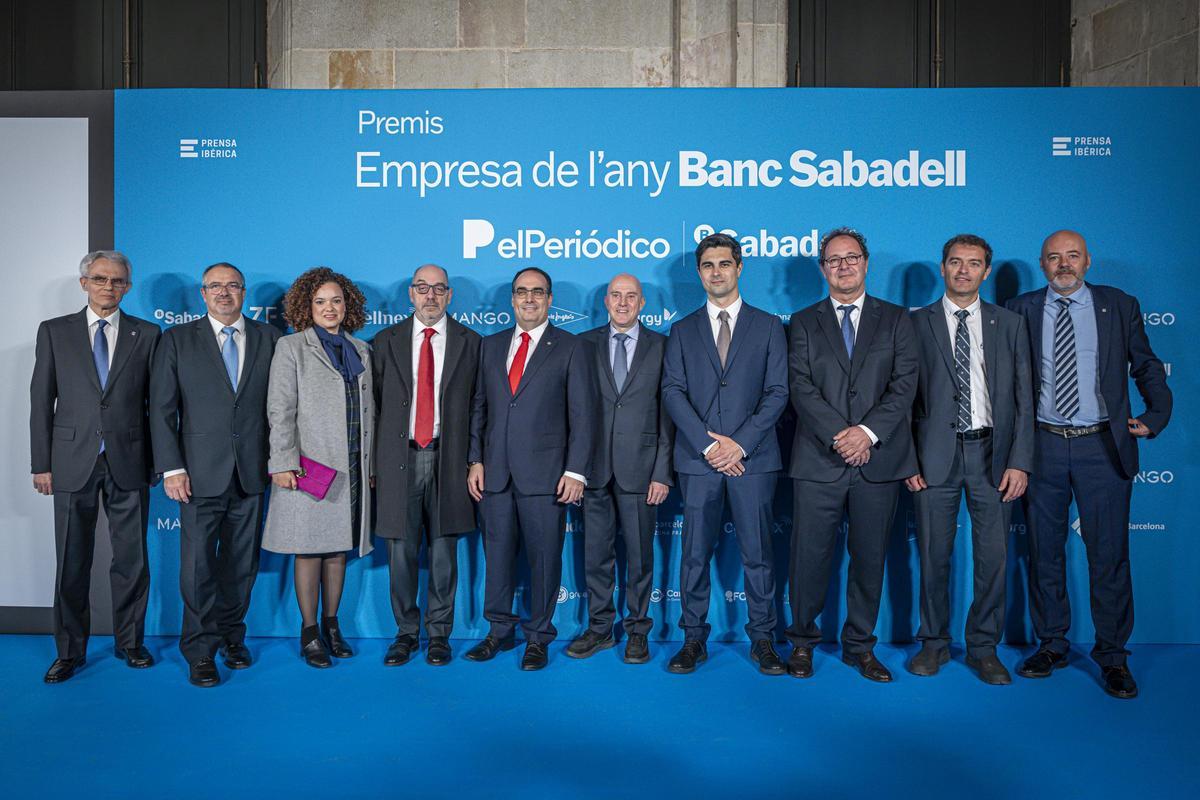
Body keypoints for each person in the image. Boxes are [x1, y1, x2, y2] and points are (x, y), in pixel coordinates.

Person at [1006, 230, 1171, 699]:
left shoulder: (1119, 305)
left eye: (1072, 256)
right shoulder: (1021, 309)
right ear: (1042, 264)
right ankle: (1052, 644)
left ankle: (1113, 658)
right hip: (1042, 447)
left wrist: (1156, 414)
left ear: (1087, 261)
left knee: (1109, 557)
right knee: (1043, 553)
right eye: (1054, 257)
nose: (1064, 264)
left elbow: (1146, 365)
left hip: (1103, 446)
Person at [786, 227, 918, 683]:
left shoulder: (898, 320)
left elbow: (904, 386)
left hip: (877, 461)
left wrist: (866, 433)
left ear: (866, 263)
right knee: (808, 558)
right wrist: (840, 436)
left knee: (869, 559)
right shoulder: (803, 322)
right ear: (823, 269)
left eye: (851, 257)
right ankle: (801, 643)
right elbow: (800, 386)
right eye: (833, 260)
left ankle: (860, 646)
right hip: (818, 460)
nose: (843, 266)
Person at [904, 235, 1033, 685]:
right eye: (955, 263)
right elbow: (900, 399)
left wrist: (1020, 461)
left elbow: (1023, 398)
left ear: (986, 271)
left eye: (973, 264)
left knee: (993, 558)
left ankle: (984, 648)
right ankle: (933, 644)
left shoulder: (1010, 324)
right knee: (934, 555)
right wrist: (907, 460)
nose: (963, 271)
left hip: (992, 456)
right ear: (942, 268)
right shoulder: (914, 323)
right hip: (932, 457)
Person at [660, 233, 788, 675]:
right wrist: (712, 445)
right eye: (708, 265)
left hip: (753, 459)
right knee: (694, 554)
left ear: (739, 268)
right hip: (699, 461)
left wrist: (740, 443)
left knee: (758, 554)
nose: (717, 272)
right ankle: (693, 639)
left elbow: (777, 392)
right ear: (699, 273)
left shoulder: (770, 326)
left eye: (724, 264)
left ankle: (764, 640)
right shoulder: (681, 329)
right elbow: (672, 392)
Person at [30, 250, 161, 683]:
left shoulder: (148, 333)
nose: (110, 287)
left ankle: (130, 643)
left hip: (130, 460)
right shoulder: (55, 332)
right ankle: (69, 652)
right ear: (84, 282)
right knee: (71, 560)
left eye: (119, 281)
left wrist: (159, 462)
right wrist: (41, 463)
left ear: (128, 286)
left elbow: (157, 406)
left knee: (132, 560)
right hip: (70, 462)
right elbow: (40, 402)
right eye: (101, 279)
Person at [149, 262, 281, 687]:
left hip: (250, 473)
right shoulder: (177, 340)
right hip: (197, 474)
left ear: (245, 293)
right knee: (198, 567)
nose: (224, 293)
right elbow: (163, 411)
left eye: (233, 286)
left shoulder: (269, 338)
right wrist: (172, 468)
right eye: (215, 287)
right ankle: (200, 650)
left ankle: (231, 637)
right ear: (202, 294)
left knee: (241, 565)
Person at [466, 267, 597, 671]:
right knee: (498, 556)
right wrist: (475, 459)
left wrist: (575, 470)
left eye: (537, 292)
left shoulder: (572, 347)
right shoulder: (490, 346)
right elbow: (479, 409)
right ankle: (499, 631)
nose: (529, 299)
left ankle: (538, 636)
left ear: (549, 299)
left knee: (544, 560)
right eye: (522, 292)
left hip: (546, 475)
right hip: (496, 475)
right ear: (511, 299)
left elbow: (584, 415)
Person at [262, 267, 375, 668]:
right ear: (306, 307)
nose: (330, 308)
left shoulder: (361, 349)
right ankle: (309, 632)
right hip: (309, 465)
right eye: (320, 301)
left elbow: (369, 413)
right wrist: (283, 461)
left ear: (348, 306)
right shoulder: (291, 347)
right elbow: (280, 410)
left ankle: (332, 625)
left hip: (351, 466)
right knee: (309, 550)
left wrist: (370, 462)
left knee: (337, 550)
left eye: (336, 301)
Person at [372, 264, 480, 667]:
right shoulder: (385, 341)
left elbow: (478, 408)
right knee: (400, 551)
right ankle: (404, 633)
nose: (430, 296)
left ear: (450, 296)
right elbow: (376, 407)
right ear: (410, 294)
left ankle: (439, 634)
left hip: (448, 459)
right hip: (398, 460)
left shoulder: (472, 343)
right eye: (422, 288)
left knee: (443, 552)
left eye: (438, 289)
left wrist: (475, 459)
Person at [567, 273, 674, 664]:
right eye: (616, 295)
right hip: (593, 471)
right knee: (596, 557)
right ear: (606, 301)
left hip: (642, 473)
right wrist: (573, 469)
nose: (623, 303)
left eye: (631, 296)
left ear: (642, 303)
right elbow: (573, 411)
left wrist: (662, 471)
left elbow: (669, 415)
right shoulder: (582, 345)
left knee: (640, 558)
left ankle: (638, 631)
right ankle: (599, 630)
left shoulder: (663, 347)